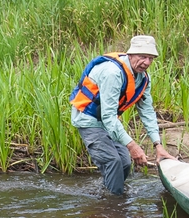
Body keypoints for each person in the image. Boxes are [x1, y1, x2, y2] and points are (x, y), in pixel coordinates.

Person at [69, 35, 175, 195]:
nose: (147, 62)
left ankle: (109, 191)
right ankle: (114, 205)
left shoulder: (144, 78)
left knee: (125, 163)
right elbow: (109, 117)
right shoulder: (112, 73)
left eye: (151, 58)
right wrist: (133, 146)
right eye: (142, 57)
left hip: (108, 122)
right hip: (88, 120)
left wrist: (158, 145)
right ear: (130, 55)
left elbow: (147, 111)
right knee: (113, 161)